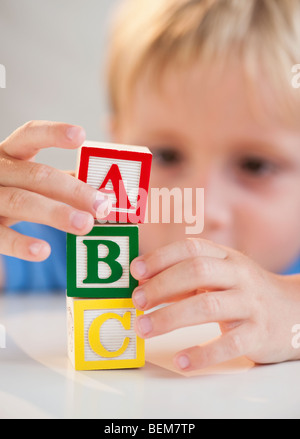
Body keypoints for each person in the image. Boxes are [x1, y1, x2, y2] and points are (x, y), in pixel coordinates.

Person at [1, 0, 300, 371]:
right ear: (116, 150)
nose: (201, 207)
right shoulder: (75, 235)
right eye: (167, 156)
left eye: (255, 165)